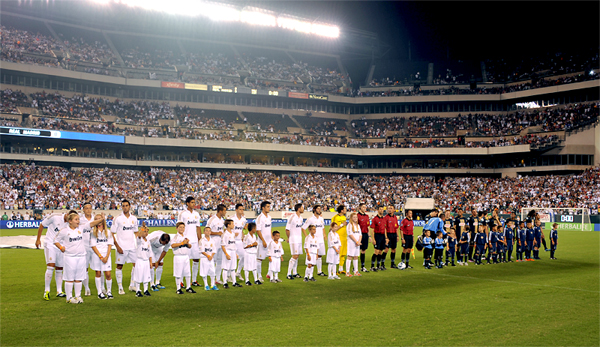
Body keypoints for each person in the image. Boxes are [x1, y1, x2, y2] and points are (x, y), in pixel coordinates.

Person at [54, 213, 105, 304]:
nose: (78, 221)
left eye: (78, 219)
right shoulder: (64, 230)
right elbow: (55, 240)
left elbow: (92, 224)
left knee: (79, 278)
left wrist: (101, 219)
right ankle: (69, 298)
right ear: (70, 221)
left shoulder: (81, 228)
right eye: (76, 219)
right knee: (69, 278)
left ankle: (78, 296)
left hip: (81, 256)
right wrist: (61, 248)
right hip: (70, 257)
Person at [36, 210, 77, 300]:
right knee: (51, 266)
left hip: (61, 246)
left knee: (59, 268)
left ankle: (59, 291)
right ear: (67, 214)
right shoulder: (55, 217)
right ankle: (46, 291)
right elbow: (42, 225)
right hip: (50, 244)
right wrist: (38, 239)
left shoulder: (70, 224)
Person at [111, 199, 139, 295]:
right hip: (121, 247)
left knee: (136, 265)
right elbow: (112, 233)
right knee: (119, 266)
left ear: (129, 206)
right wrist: (117, 246)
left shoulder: (134, 218)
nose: (125, 207)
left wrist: (140, 240)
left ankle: (132, 285)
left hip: (132, 247)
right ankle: (120, 287)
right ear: (121, 207)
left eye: (127, 205)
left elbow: (136, 232)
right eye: (123, 205)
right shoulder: (117, 218)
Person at [177, 197, 202, 286]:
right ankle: (181, 281)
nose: (193, 204)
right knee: (185, 261)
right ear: (187, 203)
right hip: (186, 241)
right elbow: (179, 226)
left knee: (196, 260)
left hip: (195, 241)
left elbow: (198, 227)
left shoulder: (196, 214)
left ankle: (194, 280)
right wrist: (182, 239)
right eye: (192, 202)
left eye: (194, 202)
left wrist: (200, 239)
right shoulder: (182, 214)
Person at [89, 214, 113, 299]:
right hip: (97, 256)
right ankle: (100, 293)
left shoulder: (108, 232)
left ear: (103, 220)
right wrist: (100, 256)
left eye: (100, 219)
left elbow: (110, 245)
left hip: (106, 255)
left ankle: (109, 291)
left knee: (108, 274)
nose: (98, 220)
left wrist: (106, 256)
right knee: (98, 273)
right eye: (96, 219)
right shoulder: (92, 232)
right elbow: (93, 245)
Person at [302, 205, 326, 276]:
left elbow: (323, 227)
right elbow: (303, 228)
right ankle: (309, 273)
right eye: (318, 209)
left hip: (321, 240)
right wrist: (307, 237)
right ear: (314, 209)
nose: (319, 210)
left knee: (320, 255)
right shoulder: (310, 219)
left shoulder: (321, 218)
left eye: (320, 209)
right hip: (313, 241)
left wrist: (324, 234)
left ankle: (319, 271)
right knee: (313, 255)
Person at [171, 222, 194, 294]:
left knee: (187, 272)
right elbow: (172, 245)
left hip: (186, 256)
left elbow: (190, 246)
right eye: (180, 227)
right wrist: (182, 243)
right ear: (177, 228)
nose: (182, 229)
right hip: (178, 256)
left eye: (183, 227)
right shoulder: (175, 237)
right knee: (178, 273)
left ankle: (188, 287)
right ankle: (178, 288)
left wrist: (187, 243)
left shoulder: (185, 237)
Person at [132, 223, 153, 298]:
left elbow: (150, 253)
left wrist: (150, 262)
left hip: (146, 261)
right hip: (140, 260)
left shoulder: (148, 241)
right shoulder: (139, 240)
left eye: (147, 232)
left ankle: (145, 290)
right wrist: (142, 228)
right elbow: (139, 235)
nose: (146, 233)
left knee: (146, 276)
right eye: (145, 231)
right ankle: (138, 291)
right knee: (139, 275)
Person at [206, 204, 225, 284]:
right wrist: (217, 233)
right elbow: (207, 231)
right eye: (224, 210)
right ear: (220, 211)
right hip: (213, 242)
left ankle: (217, 278)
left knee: (220, 260)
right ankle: (211, 278)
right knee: (212, 260)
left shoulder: (222, 220)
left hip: (221, 242)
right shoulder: (212, 219)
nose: (225, 212)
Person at [285, 203, 304, 280]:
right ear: (299, 209)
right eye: (302, 207)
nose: (303, 209)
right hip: (293, 239)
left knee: (297, 256)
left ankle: (295, 272)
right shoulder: (292, 217)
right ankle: (288, 273)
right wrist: (289, 238)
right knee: (294, 256)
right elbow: (287, 229)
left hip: (299, 239)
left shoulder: (301, 218)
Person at [221, 219, 242, 289]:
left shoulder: (232, 234)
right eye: (232, 224)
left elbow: (233, 244)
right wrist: (226, 254)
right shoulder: (225, 234)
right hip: (227, 251)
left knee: (233, 268)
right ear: (228, 225)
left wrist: (235, 253)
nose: (234, 225)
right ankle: (225, 283)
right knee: (225, 268)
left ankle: (234, 282)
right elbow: (223, 245)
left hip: (233, 251)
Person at [80, 203, 95, 297]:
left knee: (99, 268)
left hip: (95, 246)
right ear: (83, 210)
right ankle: (86, 288)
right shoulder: (80, 220)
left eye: (90, 208)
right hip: (84, 246)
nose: (88, 210)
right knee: (85, 268)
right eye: (86, 208)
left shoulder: (95, 218)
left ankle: (101, 288)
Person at [255, 201, 272, 282]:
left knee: (272, 257)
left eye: (269, 206)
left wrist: (272, 239)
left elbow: (270, 229)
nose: (269, 208)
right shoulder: (259, 218)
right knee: (259, 259)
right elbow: (258, 230)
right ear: (263, 208)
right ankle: (259, 275)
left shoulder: (269, 217)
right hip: (262, 242)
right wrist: (263, 241)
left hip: (269, 241)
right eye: (268, 206)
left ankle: (269, 274)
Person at [200, 226, 218, 291]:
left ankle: (212, 285)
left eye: (209, 231)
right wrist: (208, 256)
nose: (208, 232)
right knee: (204, 272)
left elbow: (214, 249)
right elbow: (201, 250)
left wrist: (211, 256)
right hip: (204, 258)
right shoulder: (201, 240)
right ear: (204, 232)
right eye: (207, 230)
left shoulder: (212, 240)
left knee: (213, 271)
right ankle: (206, 285)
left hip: (211, 258)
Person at [233, 203, 247, 281]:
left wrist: (243, 236)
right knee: (232, 258)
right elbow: (226, 230)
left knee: (244, 256)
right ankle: (228, 275)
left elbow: (241, 229)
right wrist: (232, 234)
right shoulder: (232, 219)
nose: (242, 211)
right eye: (240, 209)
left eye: (242, 209)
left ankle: (238, 272)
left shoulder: (243, 219)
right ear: (236, 210)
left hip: (240, 241)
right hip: (232, 241)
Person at [331, 205, 347, 275]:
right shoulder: (335, 217)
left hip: (344, 237)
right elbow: (333, 228)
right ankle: (333, 270)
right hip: (337, 237)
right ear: (341, 210)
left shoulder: (344, 217)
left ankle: (341, 268)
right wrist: (341, 225)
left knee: (343, 253)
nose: (346, 210)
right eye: (345, 209)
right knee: (337, 253)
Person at [369, 205, 386, 271]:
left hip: (382, 236)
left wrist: (386, 237)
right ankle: (372, 266)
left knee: (380, 252)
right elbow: (372, 229)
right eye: (380, 209)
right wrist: (373, 239)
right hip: (377, 236)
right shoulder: (375, 219)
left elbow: (385, 229)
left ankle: (378, 266)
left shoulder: (384, 219)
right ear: (378, 210)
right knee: (376, 251)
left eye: (382, 209)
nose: (381, 210)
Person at [383, 205, 399, 269]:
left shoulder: (395, 217)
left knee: (394, 249)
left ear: (394, 210)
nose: (389, 209)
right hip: (388, 234)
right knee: (386, 249)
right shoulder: (386, 217)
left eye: (391, 208)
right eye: (388, 208)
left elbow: (397, 227)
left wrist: (397, 236)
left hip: (394, 235)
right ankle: (382, 264)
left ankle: (392, 264)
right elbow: (385, 228)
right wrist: (386, 237)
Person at [346, 212, 362, 276]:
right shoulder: (349, 225)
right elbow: (350, 234)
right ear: (351, 218)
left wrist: (359, 241)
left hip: (357, 243)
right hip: (351, 243)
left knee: (356, 256)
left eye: (356, 217)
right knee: (350, 256)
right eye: (354, 217)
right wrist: (356, 241)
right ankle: (347, 272)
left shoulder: (358, 225)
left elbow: (360, 234)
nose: (355, 218)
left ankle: (356, 271)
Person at [357, 203, 371, 272]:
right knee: (356, 251)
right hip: (359, 235)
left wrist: (370, 236)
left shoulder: (367, 216)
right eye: (363, 207)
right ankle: (355, 267)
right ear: (360, 208)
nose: (365, 208)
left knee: (363, 250)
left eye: (365, 207)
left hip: (365, 235)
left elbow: (368, 227)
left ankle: (362, 267)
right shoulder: (357, 216)